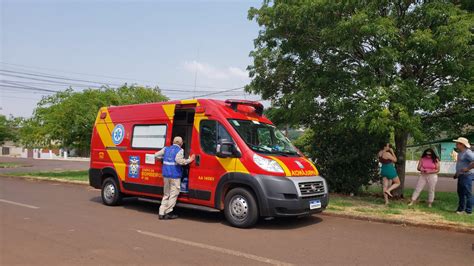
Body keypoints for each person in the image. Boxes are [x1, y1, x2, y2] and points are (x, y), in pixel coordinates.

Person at [155, 136, 195, 220]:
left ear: (173, 142)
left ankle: (161, 212)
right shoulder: (180, 150)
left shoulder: (166, 149)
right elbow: (179, 161)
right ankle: (168, 212)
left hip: (166, 174)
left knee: (166, 194)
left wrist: (162, 160)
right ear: (181, 144)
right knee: (174, 194)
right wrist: (189, 160)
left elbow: (155, 155)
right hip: (175, 175)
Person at [453, 137, 473, 215]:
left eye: (457, 143)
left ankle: (468, 211)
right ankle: (461, 209)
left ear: (462, 144)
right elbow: (460, 165)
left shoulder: (468, 152)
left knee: (467, 193)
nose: (456, 144)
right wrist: (457, 173)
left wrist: (468, 168)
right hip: (461, 175)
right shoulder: (461, 152)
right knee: (461, 193)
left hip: (467, 175)